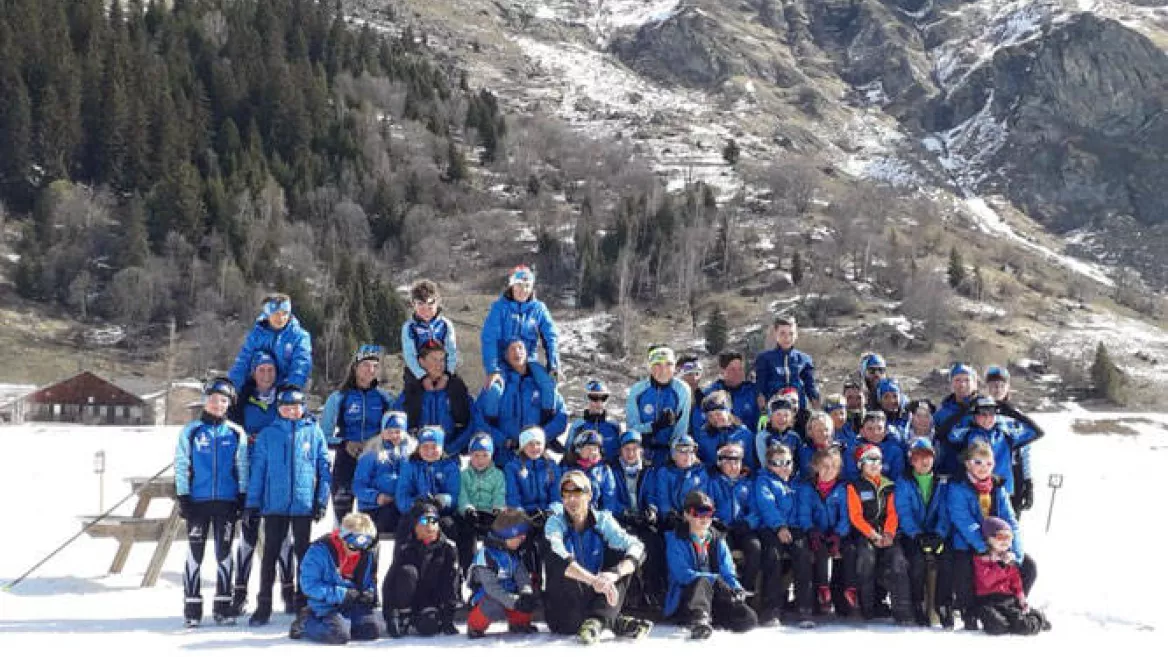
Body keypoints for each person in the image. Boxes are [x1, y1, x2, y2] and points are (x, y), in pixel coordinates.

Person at [244, 387, 331, 628]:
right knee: (270, 555)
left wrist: (321, 500)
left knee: (304, 556)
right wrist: (252, 504)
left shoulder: (313, 432)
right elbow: (258, 472)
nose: (291, 411)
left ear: (303, 407)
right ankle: (263, 605)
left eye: (296, 406)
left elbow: (324, 469)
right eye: (286, 406)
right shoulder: (268, 434)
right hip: (275, 505)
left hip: (302, 505)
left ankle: (303, 603)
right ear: (279, 409)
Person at [543, 471, 654, 643]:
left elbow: (637, 546)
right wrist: (595, 581)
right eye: (566, 495)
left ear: (589, 495)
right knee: (555, 557)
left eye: (577, 494)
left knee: (628, 560)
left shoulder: (602, 519)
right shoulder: (555, 522)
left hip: (594, 594)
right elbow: (558, 553)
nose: (571, 500)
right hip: (564, 611)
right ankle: (610, 620)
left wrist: (614, 574)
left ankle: (598, 621)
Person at [175, 378, 249, 627]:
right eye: (214, 399)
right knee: (195, 553)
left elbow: (242, 466)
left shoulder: (236, 432)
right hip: (198, 501)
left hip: (226, 502)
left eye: (224, 400)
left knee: (224, 553)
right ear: (206, 400)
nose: (218, 404)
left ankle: (223, 606)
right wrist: (183, 496)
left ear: (229, 404)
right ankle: (192, 607)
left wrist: (242, 495)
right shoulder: (191, 430)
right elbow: (182, 464)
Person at [228, 352, 293, 618]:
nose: (266, 375)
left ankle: (289, 592)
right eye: (261, 370)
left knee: (283, 539)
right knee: (248, 537)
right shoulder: (243, 401)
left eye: (270, 370)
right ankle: (240, 593)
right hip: (251, 477)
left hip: (279, 479)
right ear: (253, 373)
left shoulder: (286, 399)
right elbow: (231, 433)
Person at [947, 441, 1037, 631]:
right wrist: (985, 548)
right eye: (978, 462)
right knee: (964, 565)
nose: (983, 468)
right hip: (970, 541)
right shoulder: (958, 486)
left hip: (1000, 541)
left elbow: (1010, 521)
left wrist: (1014, 552)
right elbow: (963, 520)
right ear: (968, 464)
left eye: (988, 464)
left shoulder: (998, 487)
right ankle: (970, 608)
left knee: (1028, 566)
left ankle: (1012, 604)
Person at [664, 490, 758, 639]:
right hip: (686, 596)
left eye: (708, 513)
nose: (704, 518)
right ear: (687, 515)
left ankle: (712, 617)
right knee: (702, 581)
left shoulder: (717, 539)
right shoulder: (677, 538)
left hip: (716, 593)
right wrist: (713, 579)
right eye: (698, 513)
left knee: (748, 618)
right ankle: (699, 619)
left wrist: (736, 588)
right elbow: (682, 574)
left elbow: (727, 571)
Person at [321, 345, 397, 523]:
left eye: (375, 366)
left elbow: (394, 433)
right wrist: (345, 443)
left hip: (374, 462)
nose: (371, 370)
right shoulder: (338, 398)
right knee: (343, 521)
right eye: (365, 365)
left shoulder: (385, 399)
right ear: (355, 367)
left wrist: (375, 443)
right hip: (346, 460)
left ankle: (370, 551)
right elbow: (323, 435)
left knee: (371, 522)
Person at [480, 266, 560, 419]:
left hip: (527, 361)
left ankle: (546, 422)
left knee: (549, 385)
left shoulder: (538, 309)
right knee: (494, 390)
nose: (523, 290)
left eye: (527, 286)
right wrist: (492, 369)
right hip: (503, 361)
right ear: (512, 285)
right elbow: (489, 338)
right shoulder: (499, 308)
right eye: (519, 285)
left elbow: (551, 336)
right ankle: (492, 424)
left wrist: (553, 364)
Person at [845, 443, 913, 624]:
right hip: (865, 533)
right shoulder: (854, 486)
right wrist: (873, 535)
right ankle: (868, 607)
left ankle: (903, 610)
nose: (875, 464)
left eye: (878, 460)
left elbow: (892, 513)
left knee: (898, 561)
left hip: (887, 533)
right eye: (869, 460)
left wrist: (889, 534)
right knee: (866, 559)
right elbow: (856, 516)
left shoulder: (889, 485)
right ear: (861, 464)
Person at [295, 512, 383, 644]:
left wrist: (369, 593)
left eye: (363, 545)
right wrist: (341, 594)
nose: (357, 551)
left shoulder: (366, 554)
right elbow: (308, 585)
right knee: (338, 634)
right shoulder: (319, 551)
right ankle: (305, 623)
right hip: (326, 604)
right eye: (353, 545)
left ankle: (344, 623)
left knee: (371, 630)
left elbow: (369, 580)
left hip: (352, 604)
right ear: (342, 538)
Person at [476, 340, 568, 463]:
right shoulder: (496, 384)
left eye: (520, 348)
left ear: (527, 352)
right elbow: (479, 418)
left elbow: (561, 417)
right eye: (512, 349)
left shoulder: (542, 384)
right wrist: (503, 441)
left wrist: (539, 437)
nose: (517, 352)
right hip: (503, 458)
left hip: (536, 456)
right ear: (505, 355)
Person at [894, 437, 953, 627]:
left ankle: (943, 604)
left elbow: (945, 511)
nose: (924, 461)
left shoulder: (942, 481)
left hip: (935, 533)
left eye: (928, 456)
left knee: (947, 559)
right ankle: (917, 602)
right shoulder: (904, 481)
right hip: (913, 534)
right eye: (919, 457)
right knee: (917, 561)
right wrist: (917, 534)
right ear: (911, 460)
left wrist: (939, 533)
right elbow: (904, 512)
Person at [382, 500, 463, 638]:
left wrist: (448, 616)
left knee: (428, 627)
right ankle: (403, 617)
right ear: (415, 525)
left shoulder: (448, 547)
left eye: (434, 521)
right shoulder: (405, 547)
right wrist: (391, 616)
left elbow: (453, 582)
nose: (430, 526)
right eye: (425, 521)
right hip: (408, 599)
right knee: (407, 572)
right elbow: (390, 583)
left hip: (431, 601)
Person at [394, 426, 469, 568]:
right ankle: (400, 568)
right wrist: (416, 503)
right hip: (416, 514)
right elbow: (402, 495)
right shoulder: (410, 465)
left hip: (441, 514)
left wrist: (443, 500)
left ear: (441, 447)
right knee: (405, 525)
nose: (429, 451)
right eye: (425, 447)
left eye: (434, 447)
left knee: (450, 526)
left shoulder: (450, 466)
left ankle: (450, 568)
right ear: (419, 447)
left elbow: (455, 495)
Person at [610, 431, 665, 609]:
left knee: (654, 542)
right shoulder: (613, 470)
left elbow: (652, 494)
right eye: (627, 449)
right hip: (622, 519)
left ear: (641, 450)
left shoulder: (648, 469)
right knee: (624, 544)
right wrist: (626, 513)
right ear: (620, 451)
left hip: (641, 517)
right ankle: (630, 592)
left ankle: (653, 589)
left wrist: (651, 510)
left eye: (635, 449)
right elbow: (611, 498)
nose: (631, 453)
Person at [794, 448, 851, 623]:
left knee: (849, 551)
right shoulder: (807, 488)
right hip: (816, 531)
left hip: (836, 532)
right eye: (824, 466)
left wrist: (839, 533)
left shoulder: (842, 488)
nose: (828, 471)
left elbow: (846, 515)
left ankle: (845, 592)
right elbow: (803, 513)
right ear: (815, 467)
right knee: (819, 551)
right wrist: (811, 530)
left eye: (833, 467)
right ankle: (820, 590)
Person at [753, 444, 807, 625]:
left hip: (795, 527)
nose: (783, 467)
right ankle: (771, 608)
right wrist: (779, 527)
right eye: (777, 463)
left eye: (787, 462)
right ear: (768, 465)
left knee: (802, 554)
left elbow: (804, 507)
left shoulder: (798, 483)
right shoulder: (764, 481)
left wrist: (803, 528)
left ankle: (803, 606)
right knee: (772, 556)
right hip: (771, 527)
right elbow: (766, 505)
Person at [466, 509, 540, 638]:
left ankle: (519, 623)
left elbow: (521, 575)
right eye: (520, 537)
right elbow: (491, 588)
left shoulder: (512, 551)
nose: (523, 539)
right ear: (507, 536)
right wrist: (514, 601)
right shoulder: (486, 556)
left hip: (510, 592)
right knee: (493, 604)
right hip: (487, 595)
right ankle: (475, 625)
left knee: (527, 600)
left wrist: (526, 592)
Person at [948, 396, 1041, 496]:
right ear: (974, 415)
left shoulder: (1007, 435)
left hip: (1003, 490)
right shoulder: (967, 434)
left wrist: (1013, 412)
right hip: (974, 490)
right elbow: (944, 433)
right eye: (983, 414)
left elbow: (1037, 432)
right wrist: (964, 411)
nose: (987, 418)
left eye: (992, 414)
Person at [972, 517, 1051, 636]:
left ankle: (1038, 618)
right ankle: (1008, 622)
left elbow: (1016, 582)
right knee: (996, 627)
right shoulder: (981, 559)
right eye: (1000, 537)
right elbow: (986, 581)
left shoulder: (1008, 559)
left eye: (1009, 538)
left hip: (1007, 600)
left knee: (1023, 626)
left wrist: (1021, 598)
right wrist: (999, 565)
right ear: (988, 539)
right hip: (988, 600)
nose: (1005, 541)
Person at [983, 365, 1043, 515]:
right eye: (993, 385)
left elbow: (1026, 451)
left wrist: (1028, 482)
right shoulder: (979, 412)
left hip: (1013, 473)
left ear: (1008, 388)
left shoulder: (1016, 416)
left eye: (1001, 385)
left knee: (1010, 523)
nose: (997, 389)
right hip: (984, 473)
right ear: (986, 387)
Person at [226, 293, 313, 391]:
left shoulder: (299, 336)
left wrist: (293, 387)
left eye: (285, 313)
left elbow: (301, 363)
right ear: (267, 314)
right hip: (258, 386)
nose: (281, 318)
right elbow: (243, 361)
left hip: (286, 387)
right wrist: (231, 387)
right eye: (276, 314)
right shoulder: (256, 335)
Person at [705, 442, 761, 595]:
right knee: (721, 548)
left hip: (743, 527)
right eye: (728, 460)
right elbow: (707, 506)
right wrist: (715, 521)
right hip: (722, 528)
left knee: (755, 547)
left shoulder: (748, 484)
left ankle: (747, 589)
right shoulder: (713, 482)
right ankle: (725, 590)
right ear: (719, 462)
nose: (733, 465)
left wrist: (748, 522)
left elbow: (756, 509)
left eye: (737, 460)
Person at [400, 343, 474, 455]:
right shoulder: (410, 393)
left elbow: (472, 423)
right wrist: (418, 449)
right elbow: (398, 426)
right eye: (434, 359)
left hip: (452, 455)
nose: (439, 365)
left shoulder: (457, 390)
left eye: (442, 360)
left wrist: (451, 449)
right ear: (421, 361)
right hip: (417, 456)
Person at [627, 346, 692, 466]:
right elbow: (632, 429)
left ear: (674, 367)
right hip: (642, 453)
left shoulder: (682, 389)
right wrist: (654, 426)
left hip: (669, 454)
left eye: (668, 364)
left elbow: (681, 428)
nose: (663, 370)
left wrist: (673, 457)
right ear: (650, 367)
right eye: (657, 364)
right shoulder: (637, 390)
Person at [353, 411, 414, 536]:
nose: (394, 435)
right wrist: (376, 497)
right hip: (375, 506)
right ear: (382, 432)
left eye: (398, 431)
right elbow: (358, 485)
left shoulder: (412, 453)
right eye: (389, 431)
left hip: (403, 504)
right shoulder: (372, 454)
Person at [753, 316, 819, 412]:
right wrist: (762, 411)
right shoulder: (765, 358)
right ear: (776, 334)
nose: (787, 338)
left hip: (798, 410)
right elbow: (760, 388)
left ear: (796, 334)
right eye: (782, 333)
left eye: (791, 334)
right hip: (774, 411)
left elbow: (811, 387)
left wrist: (817, 410)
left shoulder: (804, 359)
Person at [457, 432, 507, 560]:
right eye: (476, 455)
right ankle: (468, 565)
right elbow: (462, 495)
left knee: (497, 534)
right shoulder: (464, 475)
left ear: (491, 456)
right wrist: (467, 509)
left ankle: (493, 565)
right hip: (471, 515)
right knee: (466, 534)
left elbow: (499, 494)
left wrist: (497, 509)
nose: (480, 460)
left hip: (489, 514)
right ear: (470, 455)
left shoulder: (498, 475)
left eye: (485, 455)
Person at [401, 279, 459, 388]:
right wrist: (422, 376)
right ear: (413, 304)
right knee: (413, 398)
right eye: (421, 305)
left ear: (437, 302)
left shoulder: (445, 325)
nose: (426, 311)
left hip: (442, 370)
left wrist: (447, 374)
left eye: (430, 305)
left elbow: (452, 351)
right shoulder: (409, 327)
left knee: (457, 392)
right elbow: (409, 355)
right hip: (417, 373)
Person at [651, 435, 708, 532]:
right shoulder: (664, 473)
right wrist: (670, 515)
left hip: (696, 518)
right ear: (673, 455)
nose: (688, 455)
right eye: (683, 451)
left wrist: (694, 516)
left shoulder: (701, 472)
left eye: (691, 451)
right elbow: (663, 498)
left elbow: (704, 498)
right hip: (672, 521)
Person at [934, 363, 980, 477]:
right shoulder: (941, 413)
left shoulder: (984, 409)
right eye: (957, 380)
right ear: (951, 384)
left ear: (975, 383)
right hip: (950, 473)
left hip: (980, 473)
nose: (962, 384)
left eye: (967, 380)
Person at [695, 391, 756, 470]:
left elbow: (750, 464)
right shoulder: (703, 435)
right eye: (710, 416)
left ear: (728, 411)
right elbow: (700, 460)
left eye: (718, 414)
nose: (715, 419)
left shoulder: (744, 434)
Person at [703, 351, 761, 435]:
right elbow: (701, 428)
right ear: (722, 371)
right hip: (717, 443)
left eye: (740, 369)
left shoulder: (753, 392)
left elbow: (760, 424)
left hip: (746, 442)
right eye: (732, 369)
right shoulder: (709, 394)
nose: (738, 373)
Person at [562, 430, 619, 512]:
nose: (592, 452)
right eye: (588, 448)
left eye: (595, 449)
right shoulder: (568, 468)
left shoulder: (604, 470)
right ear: (578, 450)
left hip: (597, 515)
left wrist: (603, 517)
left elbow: (610, 498)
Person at [568, 380, 623, 463]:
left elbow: (623, 454)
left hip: (611, 473)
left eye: (603, 398)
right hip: (585, 473)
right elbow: (568, 455)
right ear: (586, 399)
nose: (599, 402)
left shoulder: (614, 425)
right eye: (594, 398)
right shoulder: (578, 426)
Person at [853, 410, 907, 482]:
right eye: (870, 429)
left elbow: (897, 478)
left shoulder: (895, 451)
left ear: (885, 431)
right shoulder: (854, 449)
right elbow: (852, 475)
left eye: (879, 428)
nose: (875, 432)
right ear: (862, 431)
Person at [754, 395, 801, 473]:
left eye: (786, 415)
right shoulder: (762, 437)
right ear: (770, 417)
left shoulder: (794, 437)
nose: (782, 419)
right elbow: (764, 464)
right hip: (769, 478)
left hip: (791, 478)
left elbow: (799, 462)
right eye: (778, 414)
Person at [796, 410, 840, 478]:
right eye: (819, 430)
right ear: (810, 432)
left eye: (826, 429)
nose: (824, 434)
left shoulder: (839, 449)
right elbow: (808, 474)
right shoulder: (804, 451)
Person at [677, 357, 706, 435]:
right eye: (689, 374)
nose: (694, 378)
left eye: (697, 374)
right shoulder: (669, 399)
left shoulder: (706, 401)